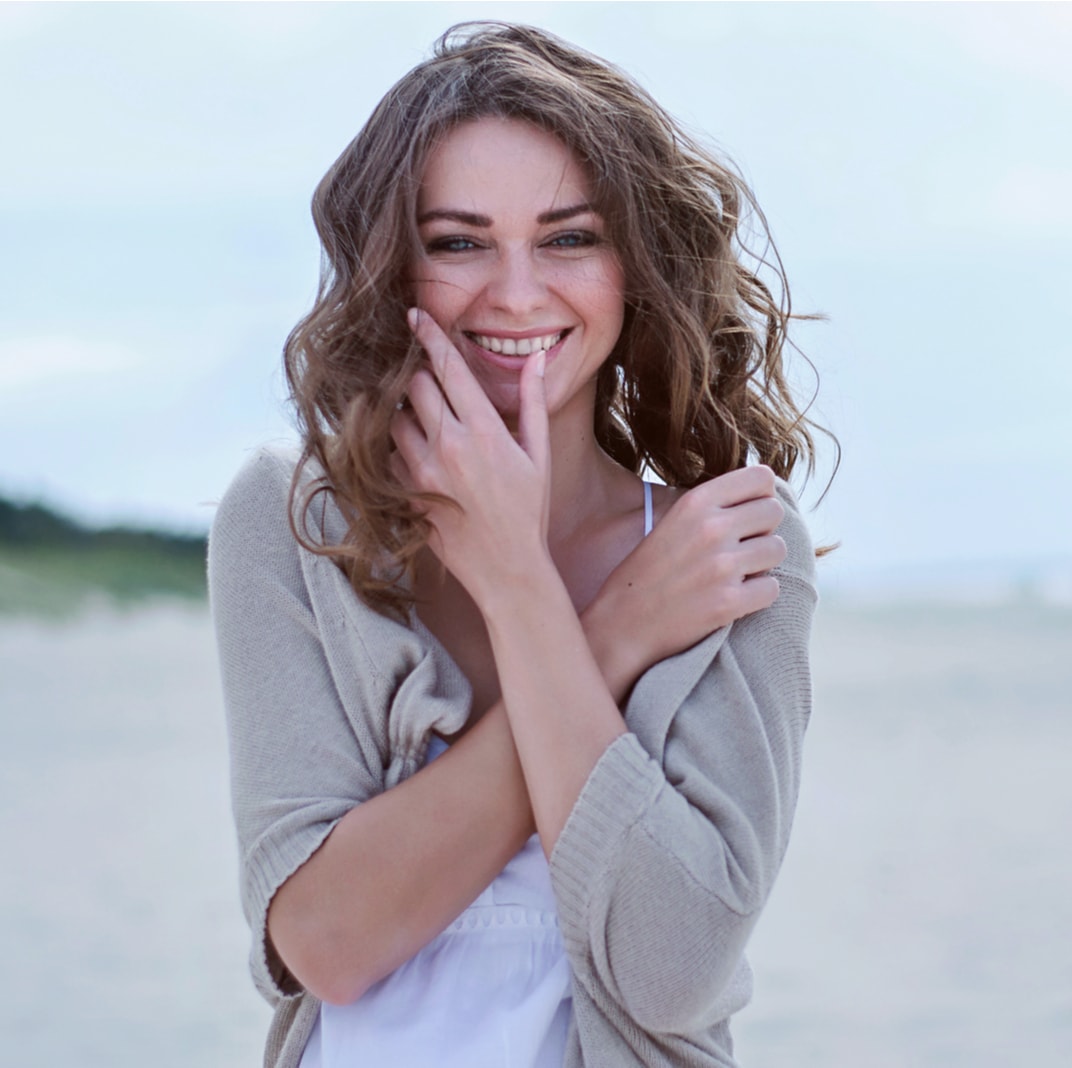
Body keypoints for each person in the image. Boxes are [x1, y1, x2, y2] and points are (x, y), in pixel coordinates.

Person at [208, 22, 828, 1068]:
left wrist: (520, 592)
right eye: (457, 242)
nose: (517, 292)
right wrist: (608, 627)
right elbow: (326, 943)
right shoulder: (293, 519)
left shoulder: (727, 546)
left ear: (634, 263)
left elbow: (672, 970)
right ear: (392, 266)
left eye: (568, 237)